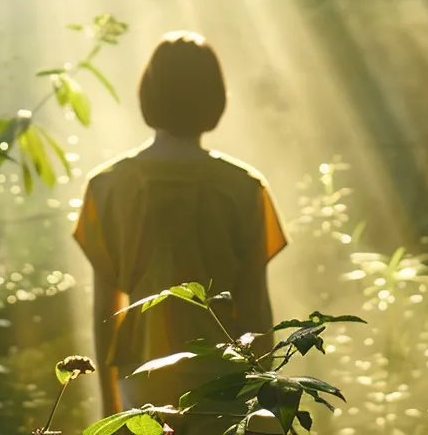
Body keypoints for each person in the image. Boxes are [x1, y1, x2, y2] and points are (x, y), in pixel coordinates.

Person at [73, 31, 288, 433]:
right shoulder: (244, 187)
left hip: (139, 376)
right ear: (215, 99)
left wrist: (108, 407)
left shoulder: (107, 187)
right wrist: (264, 406)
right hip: (226, 379)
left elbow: (106, 310)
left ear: (147, 94)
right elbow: (256, 307)